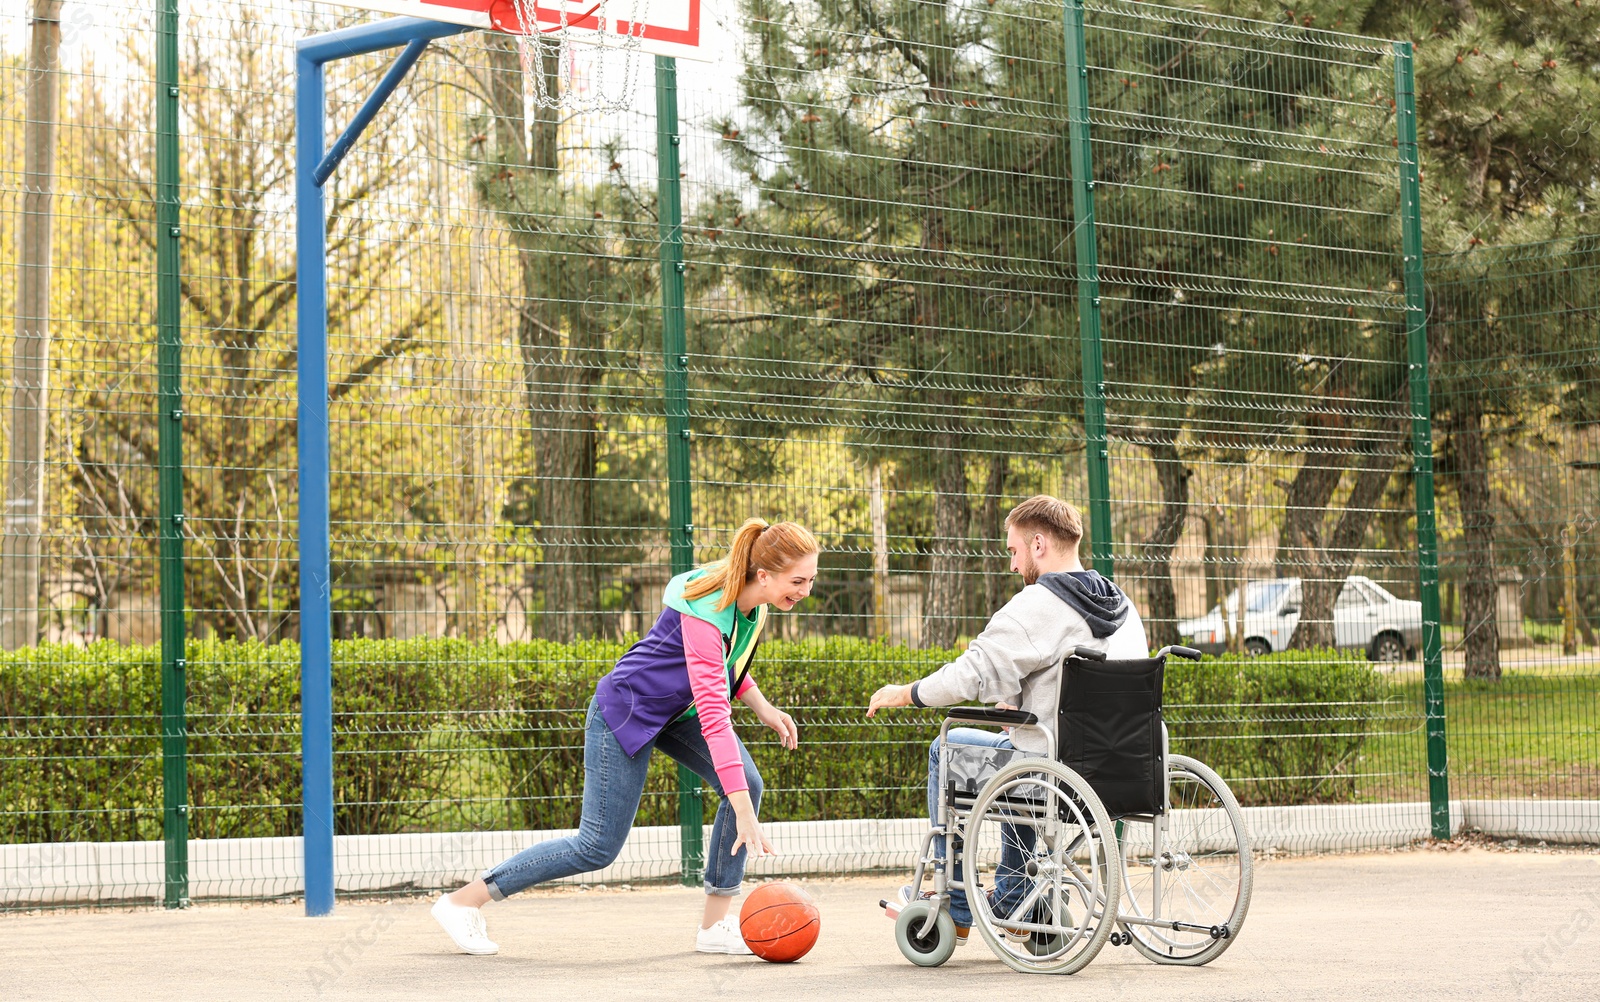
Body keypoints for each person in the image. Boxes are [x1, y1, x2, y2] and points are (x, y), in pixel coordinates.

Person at [431, 518, 819, 957]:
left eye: (811, 579)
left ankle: (714, 927)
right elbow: (714, 716)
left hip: (674, 712)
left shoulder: (756, 605)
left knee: (745, 784)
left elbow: (722, 668)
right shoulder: (708, 609)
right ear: (764, 575)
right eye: (798, 580)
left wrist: (763, 707)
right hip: (626, 711)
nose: (805, 590)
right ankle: (463, 902)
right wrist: (746, 815)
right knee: (596, 847)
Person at [866, 494, 1147, 940]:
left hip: (1053, 772)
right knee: (1018, 750)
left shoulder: (1040, 603)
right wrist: (1019, 708)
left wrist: (908, 693)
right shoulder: (1123, 608)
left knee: (949, 747)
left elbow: (972, 673)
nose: (1013, 565)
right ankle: (1016, 896)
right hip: (1124, 772)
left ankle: (956, 906)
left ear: (1038, 545)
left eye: (1014, 551)